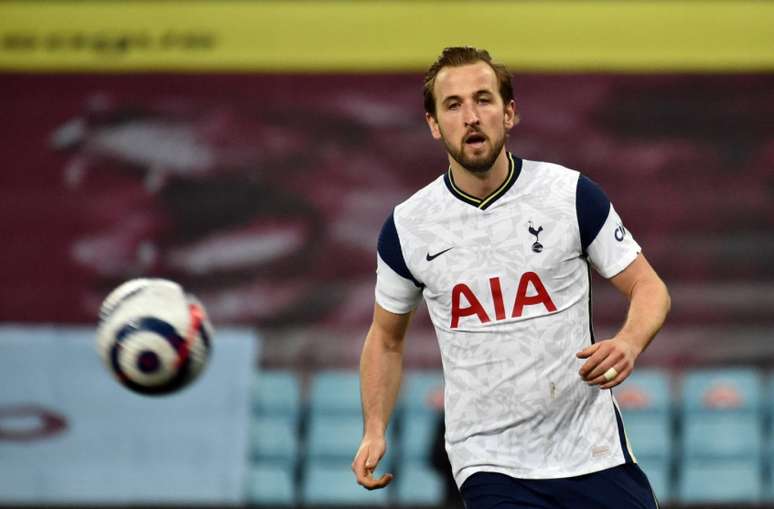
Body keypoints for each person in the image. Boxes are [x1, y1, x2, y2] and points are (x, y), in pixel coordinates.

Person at [351, 47, 671, 509]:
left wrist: (629, 342)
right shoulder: (407, 227)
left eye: (484, 99)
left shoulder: (570, 196)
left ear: (510, 113)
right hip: (490, 463)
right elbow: (385, 339)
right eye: (454, 105)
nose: (471, 116)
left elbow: (649, 288)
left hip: (592, 451)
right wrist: (374, 428)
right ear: (434, 124)